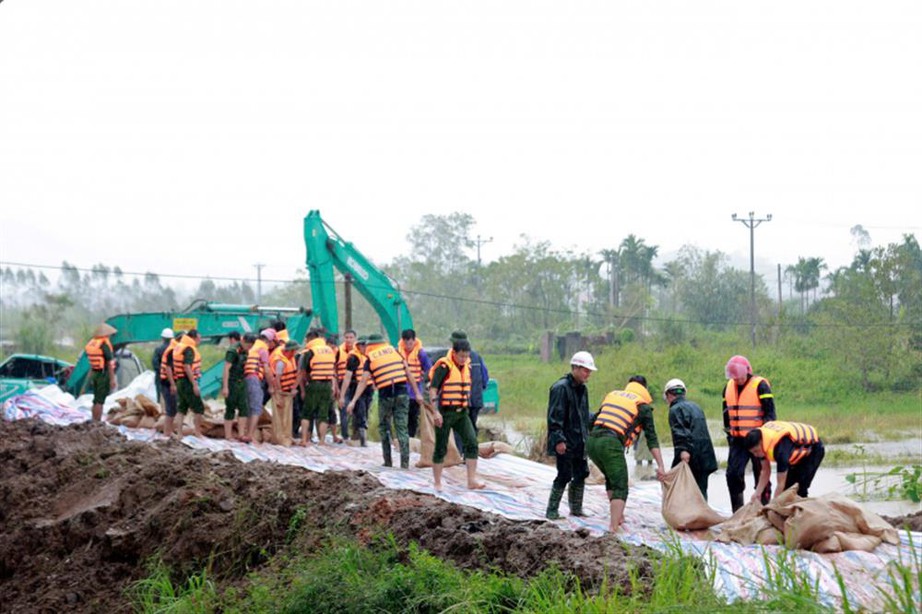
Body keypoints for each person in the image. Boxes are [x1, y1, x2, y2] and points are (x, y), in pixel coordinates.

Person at [587, 376, 666, 532]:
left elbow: (593, 420)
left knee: (611, 478)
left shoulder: (613, 396)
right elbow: (652, 438)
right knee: (621, 486)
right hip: (610, 443)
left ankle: (619, 516)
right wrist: (661, 465)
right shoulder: (642, 407)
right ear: (645, 390)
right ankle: (613, 528)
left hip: (591, 443)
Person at [347, 333, 423, 468]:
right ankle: (404, 463)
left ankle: (388, 461)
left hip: (386, 395)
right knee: (402, 428)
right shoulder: (395, 352)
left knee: (384, 428)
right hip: (402, 393)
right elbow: (409, 373)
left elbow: (363, 381)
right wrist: (417, 393)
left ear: (371, 345)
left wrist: (353, 401)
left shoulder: (370, 358)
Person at [545, 351, 596, 520]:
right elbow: (554, 418)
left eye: (589, 371)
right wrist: (559, 440)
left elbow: (583, 414)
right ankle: (552, 511)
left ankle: (576, 508)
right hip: (565, 441)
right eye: (585, 370)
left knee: (581, 472)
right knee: (565, 474)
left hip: (579, 440)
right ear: (575, 368)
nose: (587, 374)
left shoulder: (582, 389)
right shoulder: (560, 388)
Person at [428, 337, 485, 490]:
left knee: (472, 443)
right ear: (454, 353)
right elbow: (433, 389)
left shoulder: (467, 366)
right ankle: (437, 482)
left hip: (462, 413)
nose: (463, 359)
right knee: (441, 447)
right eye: (461, 356)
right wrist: (435, 412)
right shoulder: (444, 367)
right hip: (445, 413)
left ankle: (471, 480)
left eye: (466, 356)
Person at [723, 355, 776, 511]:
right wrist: (729, 435)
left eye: (740, 377)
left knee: (762, 475)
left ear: (747, 371)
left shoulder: (761, 386)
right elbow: (726, 414)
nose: (737, 381)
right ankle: (737, 511)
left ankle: (763, 509)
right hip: (738, 440)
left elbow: (770, 414)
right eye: (735, 378)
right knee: (732, 475)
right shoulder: (728, 387)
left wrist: (765, 438)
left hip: (758, 439)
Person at [663, 378, 718, 500]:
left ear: (668, 395)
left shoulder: (675, 409)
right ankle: (703, 515)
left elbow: (680, 431)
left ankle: (687, 516)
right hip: (705, 456)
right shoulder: (696, 406)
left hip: (690, 455)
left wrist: (683, 450)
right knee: (701, 491)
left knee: (681, 490)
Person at [746, 421, 825, 501]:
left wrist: (773, 504)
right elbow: (765, 471)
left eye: (756, 451)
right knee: (787, 491)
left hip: (813, 450)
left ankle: (802, 509)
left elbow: (780, 483)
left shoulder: (781, 451)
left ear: (761, 442)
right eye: (753, 453)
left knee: (798, 488)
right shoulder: (763, 444)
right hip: (793, 451)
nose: (755, 455)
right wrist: (757, 493)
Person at [298, 328, 338, 445]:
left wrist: (304, 386)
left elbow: (303, 372)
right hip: (327, 385)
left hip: (314, 384)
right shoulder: (330, 350)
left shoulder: (310, 352)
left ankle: (304, 439)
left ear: (310, 339)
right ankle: (322, 441)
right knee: (323, 414)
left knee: (307, 413)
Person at [450, 330, 489, 435]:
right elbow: (485, 379)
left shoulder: (454, 358)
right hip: (476, 400)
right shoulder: (477, 357)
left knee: (459, 430)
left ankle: (461, 451)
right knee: (471, 427)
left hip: (461, 401)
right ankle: (471, 449)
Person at [242, 328, 277, 444]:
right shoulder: (263, 349)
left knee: (248, 407)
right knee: (256, 408)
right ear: (270, 341)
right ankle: (250, 435)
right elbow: (266, 370)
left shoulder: (253, 346)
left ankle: (245, 433)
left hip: (246, 378)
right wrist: (271, 386)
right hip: (254, 378)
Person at [398, 328, 432, 438]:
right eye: (406, 342)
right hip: (401, 389)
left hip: (415, 390)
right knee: (401, 416)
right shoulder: (398, 352)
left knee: (413, 416)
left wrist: (426, 381)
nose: (408, 345)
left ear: (414, 341)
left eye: (410, 342)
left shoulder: (420, 353)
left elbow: (429, 369)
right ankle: (402, 437)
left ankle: (411, 438)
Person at [173, 329, 205, 437]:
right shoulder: (189, 349)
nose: (199, 341)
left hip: (180, 380)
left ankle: (179, 433)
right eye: (199, 338)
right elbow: (187, 366)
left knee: (182, 407)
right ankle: (197, 432)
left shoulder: (180, 346)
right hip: (187, 382)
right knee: (199, 408)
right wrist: (194, 384)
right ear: (194, 337)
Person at [338, 334, 370, 446]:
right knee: (358, 410)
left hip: (368, 388)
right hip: (355, 387)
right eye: (362, 345)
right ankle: (358, 438)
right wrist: (341, 395)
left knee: (365, 412)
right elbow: (347, 377)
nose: (364, 347)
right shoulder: (353, 358)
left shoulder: (369, 356)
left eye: (365, 345)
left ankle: (358, 436)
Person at [222, 332, 252, 440]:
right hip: (232, 382)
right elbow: (226, 369)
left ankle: (241, 434)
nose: (249, 348)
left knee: (243, 408)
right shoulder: (232, 351)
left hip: (241, 381)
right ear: (243, 341)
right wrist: (225, 387)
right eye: (248, 345)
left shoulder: (245, 351)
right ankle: (228, 435)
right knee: (230, 408)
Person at [84, 323, 118, 421]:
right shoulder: (104, 345)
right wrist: (112, 379)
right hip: (103, 374)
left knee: (95, 400)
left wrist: (88, 379)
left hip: (95, 373)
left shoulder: (92, 343)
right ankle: (97, 422)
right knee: (100, 401)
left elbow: (91, 364)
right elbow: (109, 363)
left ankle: (94, 420)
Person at [270, 339, 300, 446]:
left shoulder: (290, 359)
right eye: (295, 350)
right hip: (284, 392)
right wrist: (279, 394)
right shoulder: (281, 362)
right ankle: (282, 435)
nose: (296, 352)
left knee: (295, 414)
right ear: (290, 351)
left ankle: (291, 434)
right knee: (283, 415)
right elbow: (277, 379)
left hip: (290, 392)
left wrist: (294, 388)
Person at [336, 329, 358, 441]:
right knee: (343, 408)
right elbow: (333, 368)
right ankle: (345, 434)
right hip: (342, 383)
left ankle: (357, 434)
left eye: (351, 337)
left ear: (355, 339)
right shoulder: (338, 351)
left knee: (358, 409)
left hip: (356, 383)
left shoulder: (359, 351)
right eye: (347, 337)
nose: (349, 340)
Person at [151, 328, 174, 402]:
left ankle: (163, 411)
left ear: (162, 338)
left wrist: (162, 371)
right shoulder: (176, 349)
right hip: (174, 377)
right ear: (172, 338)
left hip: (160, 377)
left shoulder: (158, 349)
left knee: (161, 396)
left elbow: (155, 363)